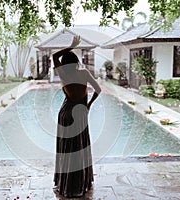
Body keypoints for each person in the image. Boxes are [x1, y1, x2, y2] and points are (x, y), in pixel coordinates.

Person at [52, 35, 101, 198]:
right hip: (80, 114)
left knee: (67, 150)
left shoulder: (63, 74)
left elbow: (54, 56)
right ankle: (81, 183)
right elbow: (98, 90)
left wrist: (72, 45)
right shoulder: (84, 73)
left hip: (66, 115)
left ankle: (66, 184)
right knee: (80, 148)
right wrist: (88, 104)